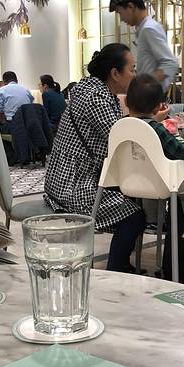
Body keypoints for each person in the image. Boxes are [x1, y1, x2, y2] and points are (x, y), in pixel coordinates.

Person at [44, 43, 145, 272]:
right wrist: (148, 122)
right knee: (134, 216)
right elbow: (119, 138)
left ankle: (122, 265)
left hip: (71, 175)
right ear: (115, 73)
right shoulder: (96, 98)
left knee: (132, 198)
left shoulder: (94, 91)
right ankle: (116, 271)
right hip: (72, 183)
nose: (135, 74)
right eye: (132, 69)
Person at [126, 73, 184, 245]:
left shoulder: (123, 125)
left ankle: (151, 221)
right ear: (158, 107)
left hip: (133, 181)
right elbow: (178, 150)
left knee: (149, 177)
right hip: (164, 182)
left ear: (127, 102)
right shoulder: (156, 128)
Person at [109, 0, 178, 93]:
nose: (121, 18)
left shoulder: (149, 29)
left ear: (131, 7)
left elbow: (170, 63)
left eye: (120, 13)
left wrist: (143, 86)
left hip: (150, 97)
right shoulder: (145, 28)